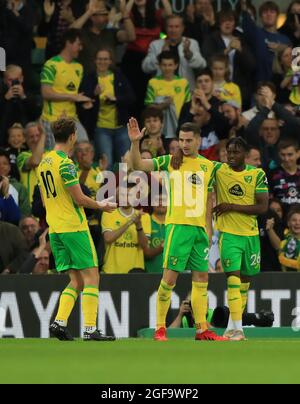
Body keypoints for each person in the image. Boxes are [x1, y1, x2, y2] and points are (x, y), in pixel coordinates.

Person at [129, 118, 227, 342]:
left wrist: (209, 231)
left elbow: (209, 201)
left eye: (189, 140)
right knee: (169, 279)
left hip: (200, 231)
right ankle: (160, 328)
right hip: (178, 228)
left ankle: (202, 329)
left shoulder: (208, 166)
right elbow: (138, 166)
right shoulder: (171, 161)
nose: (184, 144)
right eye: (181, 140)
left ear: (199, 141)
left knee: (202, 278)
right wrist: (135, 143)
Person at [37, 118, 117, 341]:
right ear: (73, 136)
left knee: (77, 280)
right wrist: (102, 205)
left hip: (55, 229)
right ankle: (90, 329)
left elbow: (44, 202)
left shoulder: (44, 162)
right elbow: (80, 198)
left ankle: (59, 322)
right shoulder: (65, 163)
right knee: (92, 277)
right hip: (73, 226)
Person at [213, 137, 269, 341]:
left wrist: (232, 206)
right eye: (229, 152)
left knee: (244, 283)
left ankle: (231, 328)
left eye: (236, 152)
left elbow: (263, 207)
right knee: (233, 280)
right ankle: (239, 330)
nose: (231, 156)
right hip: (229, 236)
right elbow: (196, 163)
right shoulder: (219, 170)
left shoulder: (257, 174)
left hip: (251, 236)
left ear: (245, 154)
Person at [40, 29, 91, 150]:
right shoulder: (51, 64)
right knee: (58, 157)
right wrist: (72, 97)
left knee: (85, 148)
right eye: (79, 44)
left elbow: (75, 93)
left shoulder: (78, 67)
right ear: (69, 43)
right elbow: (46, 93)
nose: (81, 48)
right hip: (53, 119)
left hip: (72, 118)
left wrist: (83, 101)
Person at [142, 14, 206, 90]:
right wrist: (160, 55)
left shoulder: (191, 43)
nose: (173, 30)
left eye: (177, 26)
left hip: (185, 91)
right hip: (162, 91)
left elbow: (202, 65)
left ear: (182, 28)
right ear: (166, 28)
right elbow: (145, 68)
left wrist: (189, 54)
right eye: (170, 27)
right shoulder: (155, 45)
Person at [279, 207, 300, 272]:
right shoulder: (283, 243)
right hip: (287, 279)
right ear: (288, 223)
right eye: (294, 220)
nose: (297, 223)